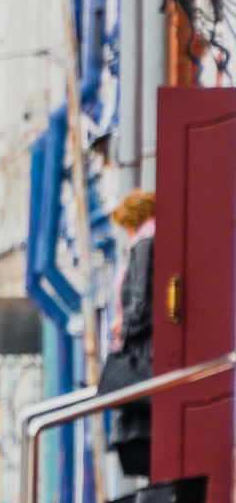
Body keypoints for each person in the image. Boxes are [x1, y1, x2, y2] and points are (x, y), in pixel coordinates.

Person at [104, 189, 156, 478]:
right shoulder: (147, 244)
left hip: (142, 358)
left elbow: (142, 302)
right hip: (144, 354)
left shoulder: (145, 244)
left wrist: (121, 326)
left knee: (137, 442)